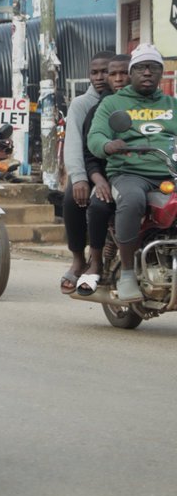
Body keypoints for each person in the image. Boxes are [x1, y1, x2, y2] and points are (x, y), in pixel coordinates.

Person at [87, 44, 177, 303]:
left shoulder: (172, 104)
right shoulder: (113, 103)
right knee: (132, 200)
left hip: (169, 172)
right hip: (129, 173)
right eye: (140, 68)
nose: (147, 72)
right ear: (131, 72)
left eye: (153, 68)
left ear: (161, 73)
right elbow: (96, 137)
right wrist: (107, 145)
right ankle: (127, 272)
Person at [59, 51, 114, 293]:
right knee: (72, 198)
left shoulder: (127, 101)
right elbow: (73, 145)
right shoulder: (82, 104)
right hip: (89, 169)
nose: (99, 77)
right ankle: (79, 259)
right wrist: (79, 178)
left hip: (118, 170)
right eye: (94, 72)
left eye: (105, 72)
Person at [75, 54, 130, 295]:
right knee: (97, 205)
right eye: (113, 74)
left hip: (157, 174)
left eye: (124, 73)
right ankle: (93, 261)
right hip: (112, 175)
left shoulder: (162, 105)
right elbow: (91, 152)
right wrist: (97, 179)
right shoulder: (102, 108)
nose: (119, 79)